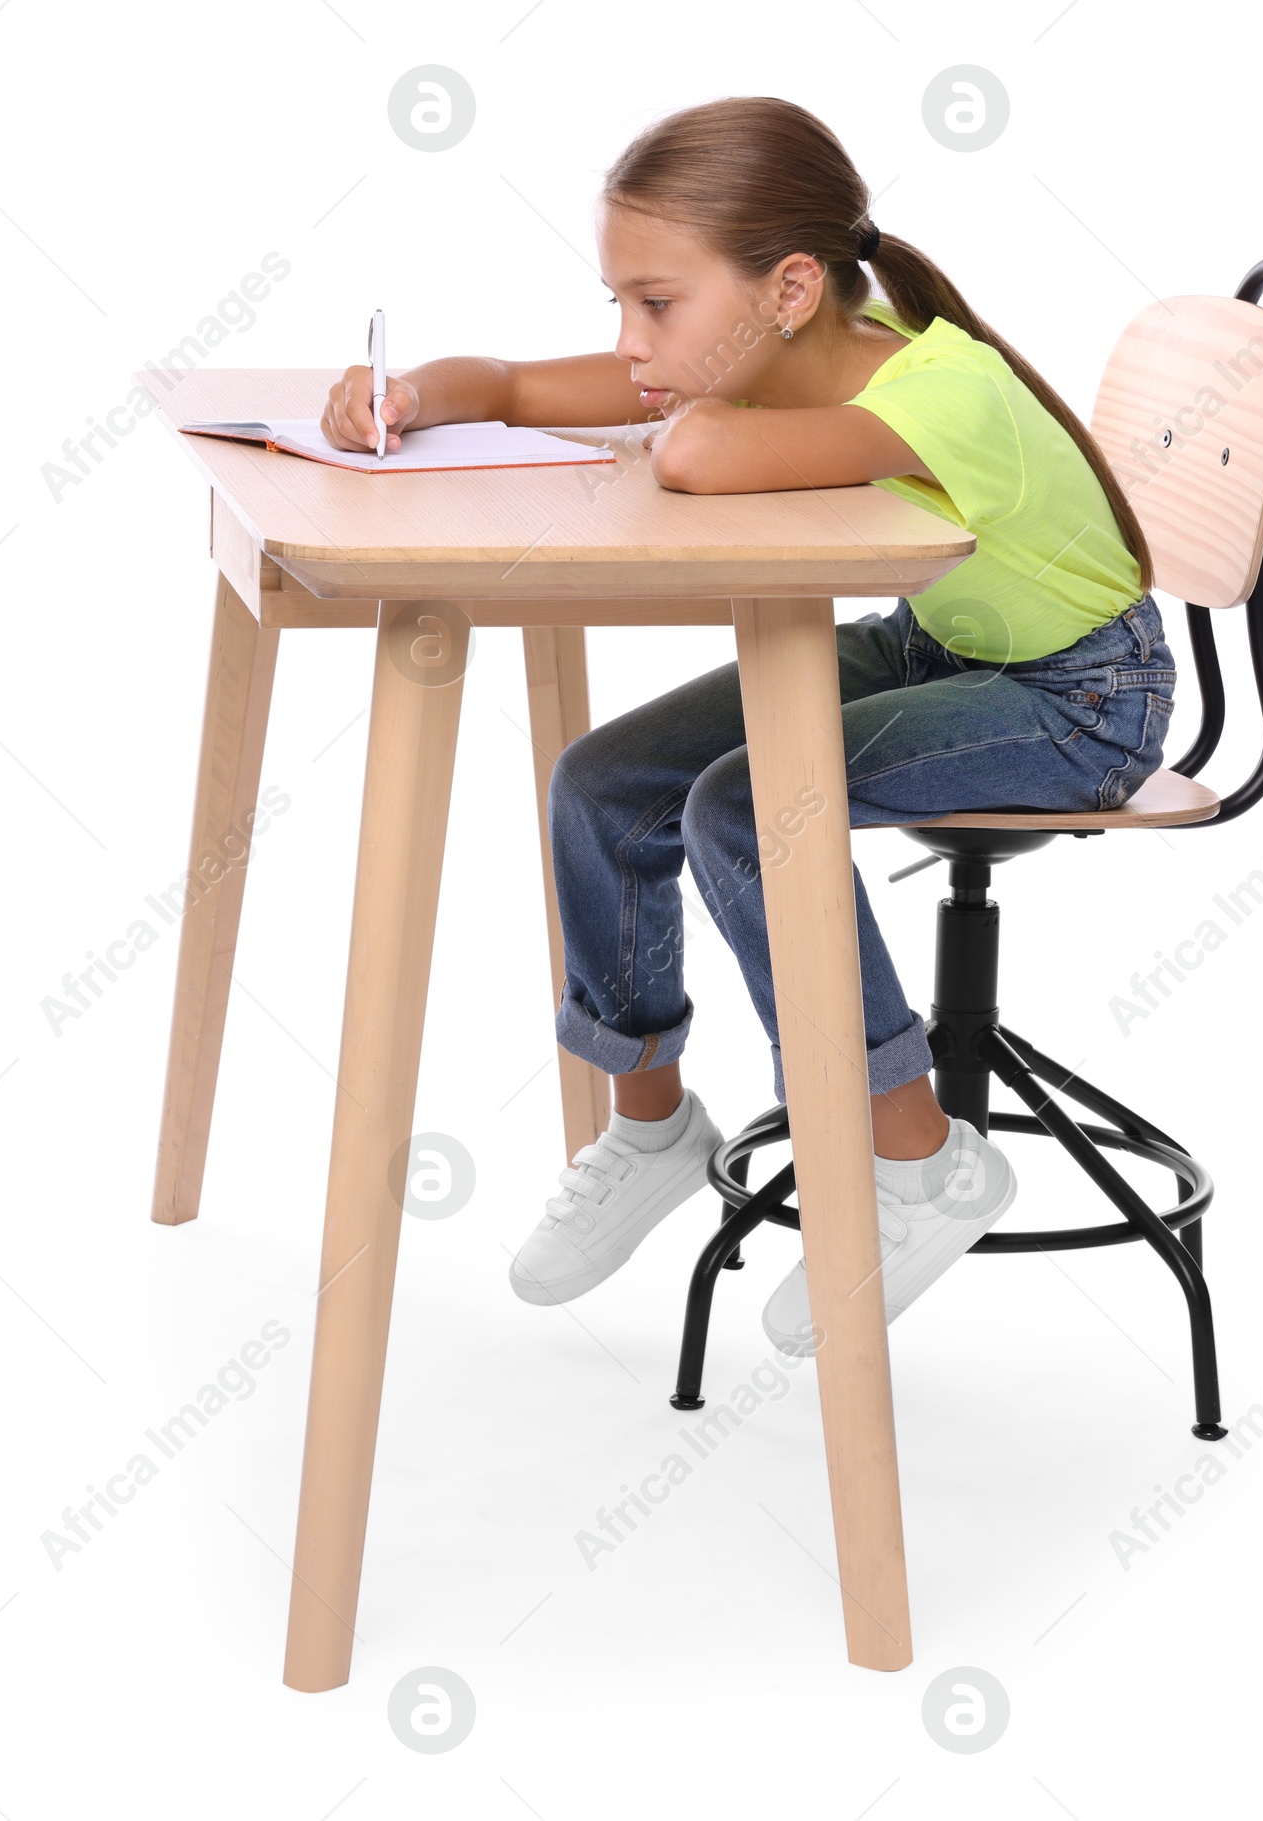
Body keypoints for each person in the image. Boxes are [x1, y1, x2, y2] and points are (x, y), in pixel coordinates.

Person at [320, 96, 1175, 1353]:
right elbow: (509, 384)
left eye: (655, 305)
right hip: (938, 644)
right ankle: (654, 1125)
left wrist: (669, 412)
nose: (628, 338)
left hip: (1078, 698)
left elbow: (694, 457)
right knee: (604, 782)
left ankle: (921, 1154)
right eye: (618, 300)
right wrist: (405, 395)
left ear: (786, 290)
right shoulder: (775, 353)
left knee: (741, 804)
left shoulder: (944, 392)